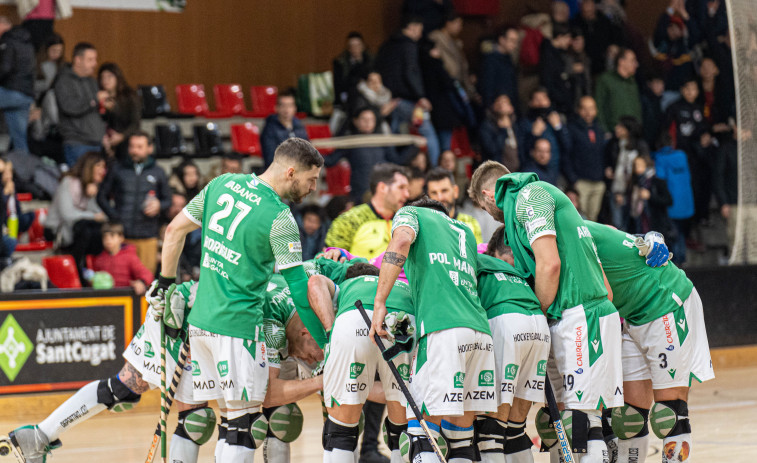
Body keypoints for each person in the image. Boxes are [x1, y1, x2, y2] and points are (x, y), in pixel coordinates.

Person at [6, 274, 324, 463]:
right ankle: (38, 435)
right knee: (177, 409)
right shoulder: (273, 320)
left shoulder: (299, 292)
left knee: (268, 415)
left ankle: (38, 436)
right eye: (314, 353)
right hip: (186, 316)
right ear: (306, 331)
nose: (312, 360)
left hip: (218, 322)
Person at [155, 137, 326, 461]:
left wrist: (165, 283)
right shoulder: (280, 218)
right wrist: (327, 345)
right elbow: (301, 295)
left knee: (229, 422)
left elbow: (174, 231)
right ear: (291, 172)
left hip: (200, 325)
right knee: (245, 427)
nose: (314, 187)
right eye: (311, 178)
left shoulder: (221, 184)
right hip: (238, 329)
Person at [469, 161, 623, 462]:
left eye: (485, 210)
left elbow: (549, 264)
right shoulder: (548, 205)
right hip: (589, 311)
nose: (490, 217)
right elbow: (606, 286)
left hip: (579, 314)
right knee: (579, 423)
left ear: (489, 195)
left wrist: (536, 311)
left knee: (583, 425)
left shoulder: (530, 196)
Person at [371, 197, 497, 463]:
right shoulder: (465, 232)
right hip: (480, 333)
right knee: (461, 437)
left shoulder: (411, 213)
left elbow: (402, 241)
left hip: (443, 329)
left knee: (422, 433)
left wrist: (380, 302)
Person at [586, 221, 714, 463]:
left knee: (669, 414)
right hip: (632, 314)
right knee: (628, 419)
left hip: (663, 301)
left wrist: (648, 236)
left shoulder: (568, 228)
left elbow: (610, 233)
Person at [309, 262, 414, 463]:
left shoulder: (348, 285)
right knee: (403, 431)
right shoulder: (402, 285)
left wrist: (331, 333)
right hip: (404, 320)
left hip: (354, 317)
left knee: (340, 431)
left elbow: (315, 282)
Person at [474, 228, 550, 463]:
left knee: (490, 432)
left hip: (506, 321)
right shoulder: (523, 271)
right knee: (515, 429)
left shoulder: (476, 259)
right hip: (539, 324)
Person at [97, 131, 172, 274]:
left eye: (139, 147)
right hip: (122, 237)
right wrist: (115, 216)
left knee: (146, 280)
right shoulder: (117, 169)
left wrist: (159, 205)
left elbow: (168, 200)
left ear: (149, 148)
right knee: (122, 280)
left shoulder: (158, 172)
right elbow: (101, 197)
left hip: (148, 235)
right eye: (132, 146)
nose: (134, 151)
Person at [375, 16, 440, 165]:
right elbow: (411, 72)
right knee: (428, 133)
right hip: (407, 100)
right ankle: (435, 168)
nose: (420, 34)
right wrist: (421, 96)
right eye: (420, 30)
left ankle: (394, 167)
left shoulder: (387, 45)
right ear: (413, 27)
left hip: (390, 101)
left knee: (393, 135)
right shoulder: (408, 45)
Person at [325, 164, 410, 260]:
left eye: (407, 189)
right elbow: (330, 261)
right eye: (401, 187)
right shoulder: (350, 219)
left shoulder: (407, 222)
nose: (407, 194)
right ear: (382, 187)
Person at [45, 150, 107, 276]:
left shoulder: (92, 186)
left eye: (104, 167)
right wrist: (93, 216)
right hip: (58, 229)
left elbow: (101, 216)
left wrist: (92, 196)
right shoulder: (68, 182)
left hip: (78, 229)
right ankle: (77, 271)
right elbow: (68, 214)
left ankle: (94, 270)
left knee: (99, 230)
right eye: (99, 166)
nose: (103, 170)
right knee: (86, 229)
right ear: (89, 167)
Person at [325, 107, 402, 203]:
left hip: (383, 190)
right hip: (360, 193)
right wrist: (309, 150)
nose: (368, 122)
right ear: (355, 121)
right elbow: (330, 161)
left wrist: (415, 146)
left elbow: (397, 161)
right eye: (364, 119)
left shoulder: (382, 141)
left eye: (371, 119)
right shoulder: (350, 142)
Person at [54, 42, 106, 166]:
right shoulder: (64, 81)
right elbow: (69, 107)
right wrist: (93, 100)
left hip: (96, 142)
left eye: (95, 59)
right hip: (77, 143)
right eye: (90, 60)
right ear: (77, 60)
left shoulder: (92, 81)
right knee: (79, 183)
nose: (95, 64)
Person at [653, 133, 694, 266]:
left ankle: (678, 259)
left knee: (673, 232)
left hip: (672, 202)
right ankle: (682, 256)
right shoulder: (682, 155)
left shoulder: (660, 159)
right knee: (681, 230)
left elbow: (660, 179)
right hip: (686, 201)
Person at [565, 96, 607, 221]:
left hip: (598, 181)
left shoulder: (599, 129)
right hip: (581, 182)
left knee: (593, 218)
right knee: (580, 219)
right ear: (578, 110)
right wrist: (573, 179)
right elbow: (566, 155)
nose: (588, 112)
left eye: (592, 108)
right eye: (584, 108)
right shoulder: (571, 129)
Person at [605, 116, 650, 230]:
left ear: (628, 130)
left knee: (637, 224)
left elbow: (645, 169)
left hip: (634, 192)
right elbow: (611, 162)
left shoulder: (640, 146)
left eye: (620, 127)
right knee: (618, 224)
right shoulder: (614, 144)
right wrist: (610, 170)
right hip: (616, 189)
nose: (617, 128)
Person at [0, 16, 36, 154]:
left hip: (12, 91)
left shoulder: (8, 40)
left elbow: (5, 68)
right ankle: (23, 172)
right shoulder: (27, 43)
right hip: (26, 95)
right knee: (20, 140)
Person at [517, 87, 569, 175]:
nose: (541, 103)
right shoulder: (524, 123)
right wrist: (534, 135)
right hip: (534, 172)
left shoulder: (556, 120)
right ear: (530, 103)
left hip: (557, 171)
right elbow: (522, 153)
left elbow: (568, 146)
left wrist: (558, 128)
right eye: (537, 99)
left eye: (544, 99)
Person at [90, 222, 153, 294]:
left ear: (121, 238)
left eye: (112, 236)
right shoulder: (100, 259)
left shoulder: (130, 257)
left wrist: (141, 282)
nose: (108, 240)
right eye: (105, 237)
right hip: (105, 299)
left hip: (125, 298)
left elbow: (147, 274)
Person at [429, 12, 478, 101]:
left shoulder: (456, 42)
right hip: (443, 85)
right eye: (458, 24)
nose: (460, 27)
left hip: (458, 83)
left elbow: (462, 64)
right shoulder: (435, 38)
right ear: (448, 23)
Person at [426, 167, 483, 243]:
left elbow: (477, 254)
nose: (440, 198)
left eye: (444, 191)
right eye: (434, 193)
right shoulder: (423, 227)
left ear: (455, 191)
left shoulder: (470, 223)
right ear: (428, 196)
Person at [332, 31, 374, 132]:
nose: (355, 48)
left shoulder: (371, 61)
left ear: (363, 46)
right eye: (352, 45)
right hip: (347, 100)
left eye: (358, 45)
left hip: (369, 99)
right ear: (348, 48)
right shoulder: (340, 63)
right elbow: (338, 86)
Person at [98, 62, 140, 160]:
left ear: (117, 77)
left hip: (126, 140)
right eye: (102, 77)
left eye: (109, 76)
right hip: (105, 142)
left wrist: (121, 136)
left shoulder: (130, 96)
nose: (105, 80)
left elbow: (135, 123)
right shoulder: (98, 97)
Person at [595, 48, 642, 132]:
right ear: (621, 61)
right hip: (612, 132)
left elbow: (637, 108)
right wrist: (604, 131)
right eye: (632, 60)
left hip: (632, 133)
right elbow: (599, 106)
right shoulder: (605, 80)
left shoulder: (632, 83)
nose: (636, 64)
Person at [261, 88, 309, 168]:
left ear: (295, 108)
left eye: (290, 106)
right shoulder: (269, 129)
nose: (286, 110)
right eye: (283, 106)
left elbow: (308, 153)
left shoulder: (299, 126)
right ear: (277, 108)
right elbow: (270, 159)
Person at [629, 155, 673, 236]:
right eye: (635, 165)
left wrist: (650, 196)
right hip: (639, 223)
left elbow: (669, 200)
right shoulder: (634, 182)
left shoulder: (657, 181)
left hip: (656, 224)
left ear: (646, 165)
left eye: (640, 165)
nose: (637, 168)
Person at [478, 26, 520, 110]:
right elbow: (487, 88)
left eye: (516, 41)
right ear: (501, 40)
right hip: (497, 109)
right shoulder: (490, 60)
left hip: (509, 107)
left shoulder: (509, 59)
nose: (515, 45)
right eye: (512, 40)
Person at [539, 24, 575, 115]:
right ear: (559, 37)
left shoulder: (558, 53)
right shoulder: (548, 55)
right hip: (556, 105)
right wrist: (561, 99)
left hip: (562, 102)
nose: (570, 42)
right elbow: (548, 81)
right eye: (567, 38)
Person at [478, 94, 520, 169]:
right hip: (498, 170)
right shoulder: (487, 126)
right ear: (493, 106)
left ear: (511, 108)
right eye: (498, 102)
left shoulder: (516, 126)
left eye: (505, 102)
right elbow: (492, 149)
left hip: (518, 170)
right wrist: (503, 131)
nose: (502, 105)